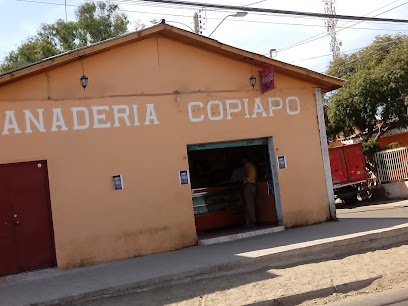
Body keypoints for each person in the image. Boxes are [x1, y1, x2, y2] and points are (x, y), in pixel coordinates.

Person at [241, 156, 257, 227]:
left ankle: (253, 221)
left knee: (249, 204)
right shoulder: (252, 166)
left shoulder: (247, 166)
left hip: (249, 185)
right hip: (253, 185)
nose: (241, 162)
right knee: (250, 204)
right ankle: (249, 221)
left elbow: (247, 176)